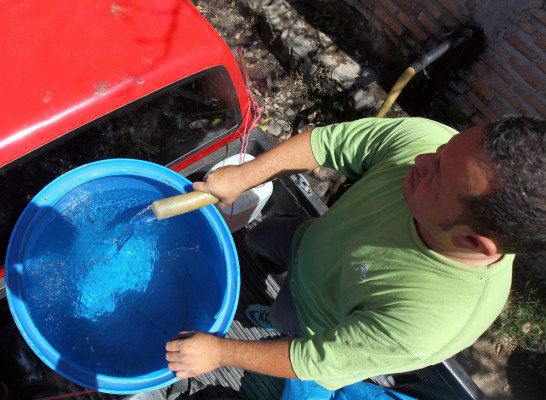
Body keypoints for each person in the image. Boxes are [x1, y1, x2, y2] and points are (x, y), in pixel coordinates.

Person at [165, 116, 545, 390]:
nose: (422, 160)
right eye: (445, 149)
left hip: (319, 322)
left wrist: (219, 353)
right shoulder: (428, 143)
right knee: (258, 238)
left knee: (288, 324)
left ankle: (277, 323)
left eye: (437, 177)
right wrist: (245, 177)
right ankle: (277, 310)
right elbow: (326, 143)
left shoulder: (428, 321)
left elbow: (313, 358)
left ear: (472, 243)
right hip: (309, 240)